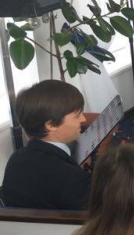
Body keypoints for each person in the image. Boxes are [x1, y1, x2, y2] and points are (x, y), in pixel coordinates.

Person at [2, 80, 90, 210]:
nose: (83, 119)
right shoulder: (71, 177)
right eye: (77, 116)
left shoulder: (15, 158)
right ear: (51, 125)